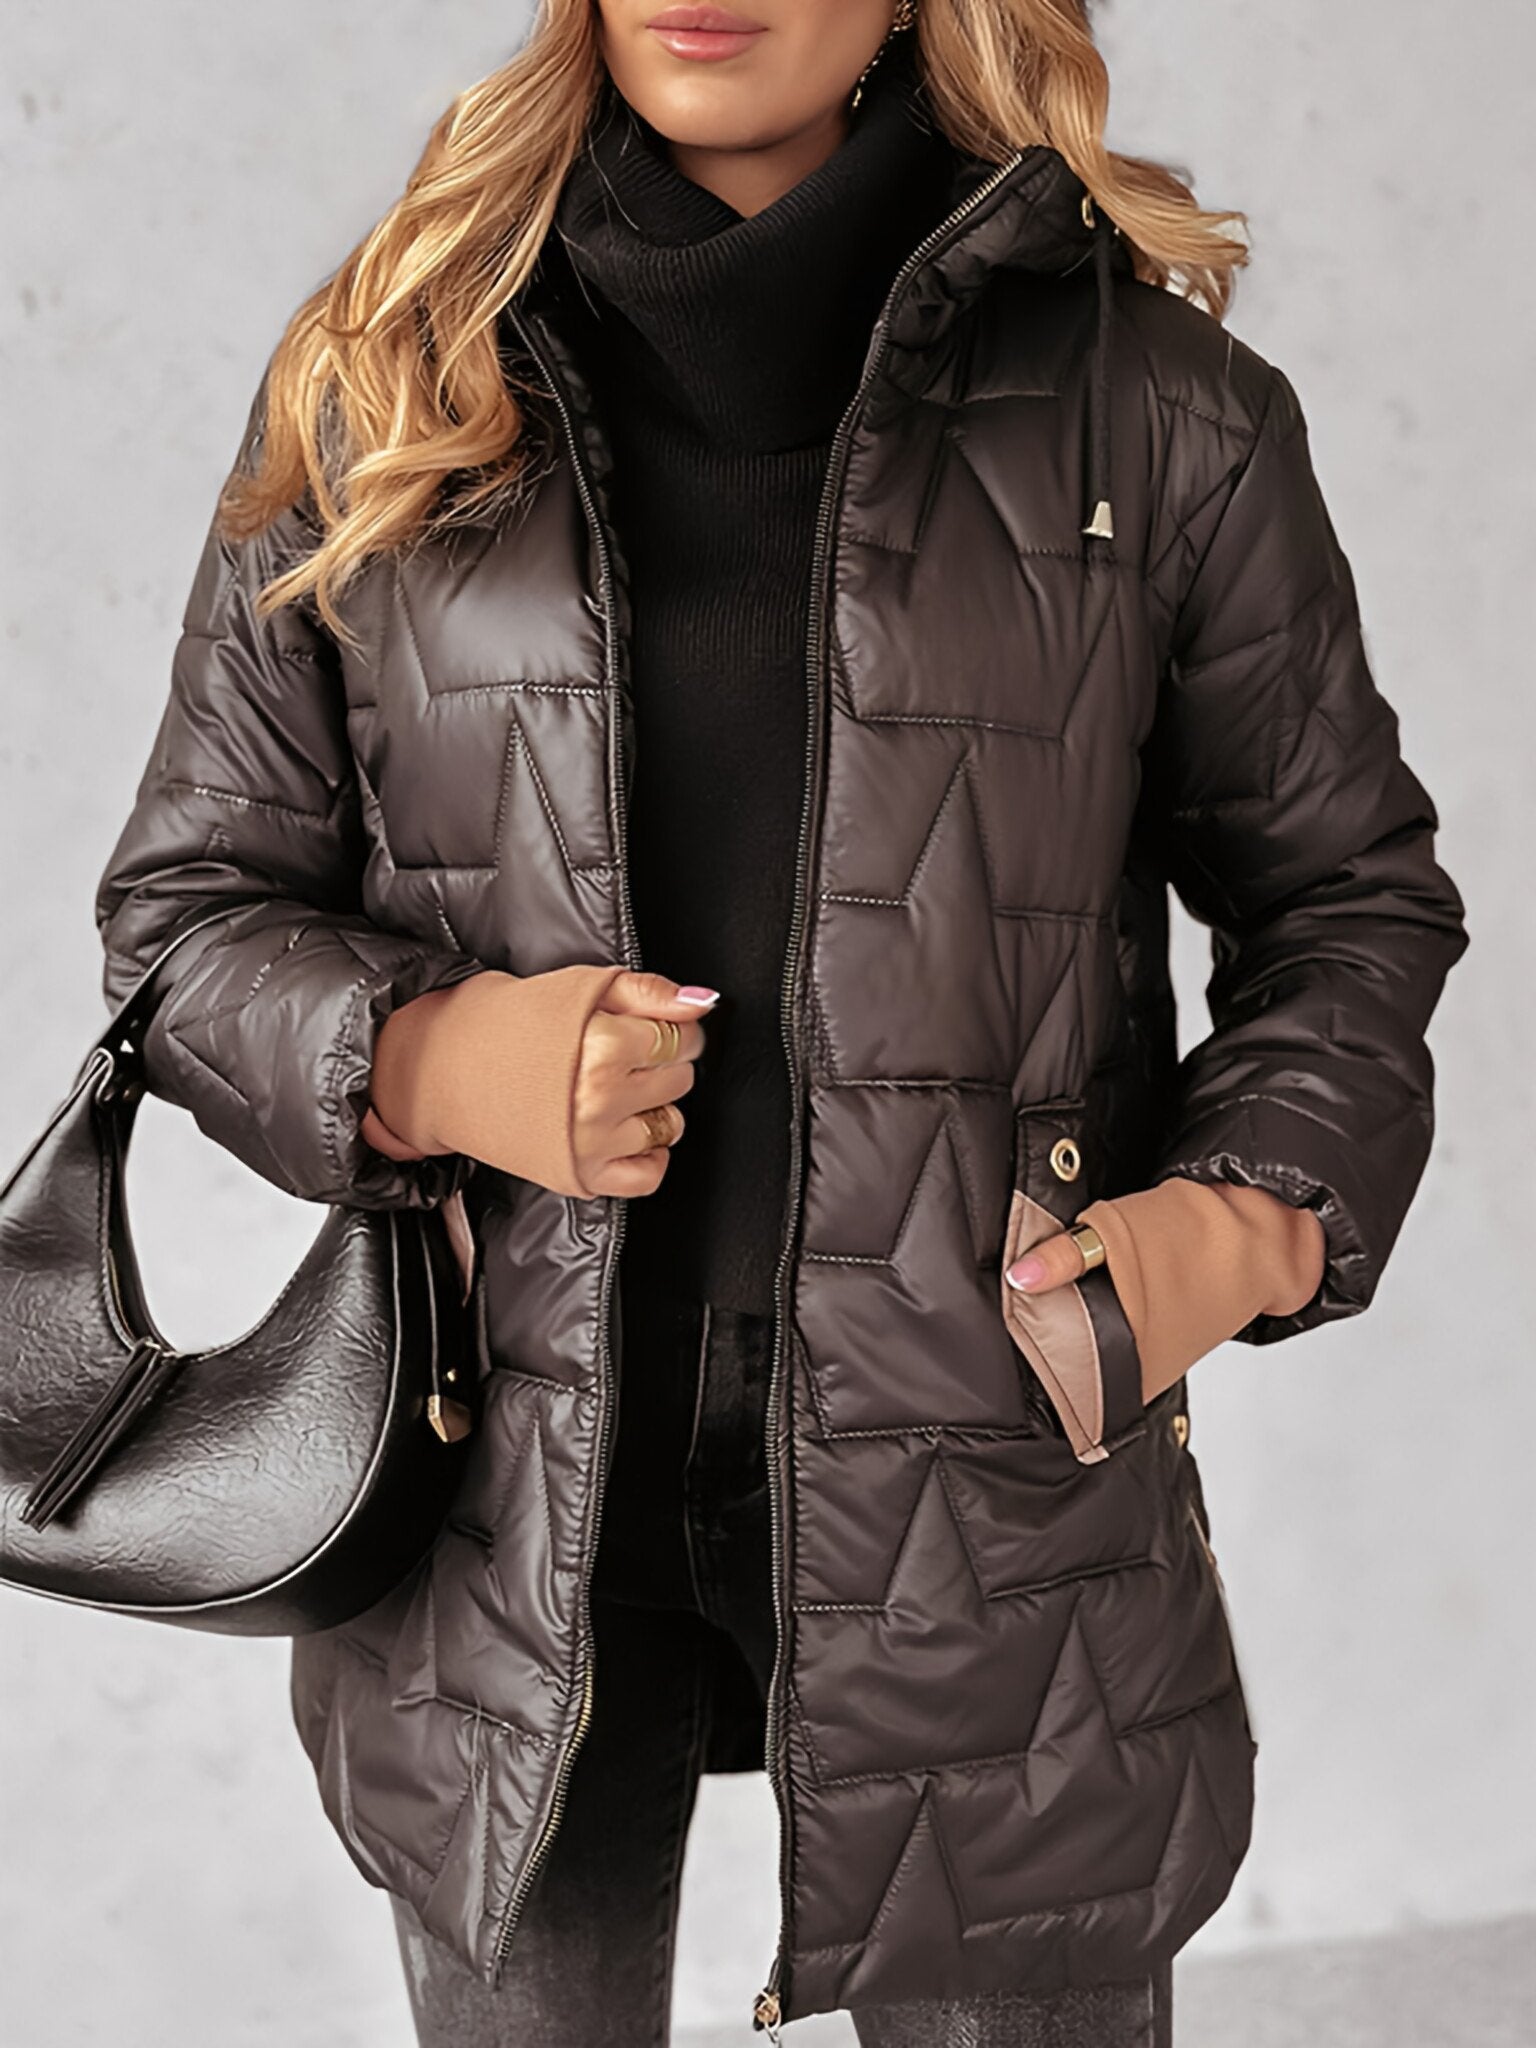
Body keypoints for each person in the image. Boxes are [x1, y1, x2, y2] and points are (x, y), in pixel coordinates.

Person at [93, 2, 1468, 2042]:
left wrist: (1248, 1220)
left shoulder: (1155, 411)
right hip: (505, 1489)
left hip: (996, 1491)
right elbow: (183, 917)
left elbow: (1345, 897)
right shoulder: (390, 375)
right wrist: (432, 1057)